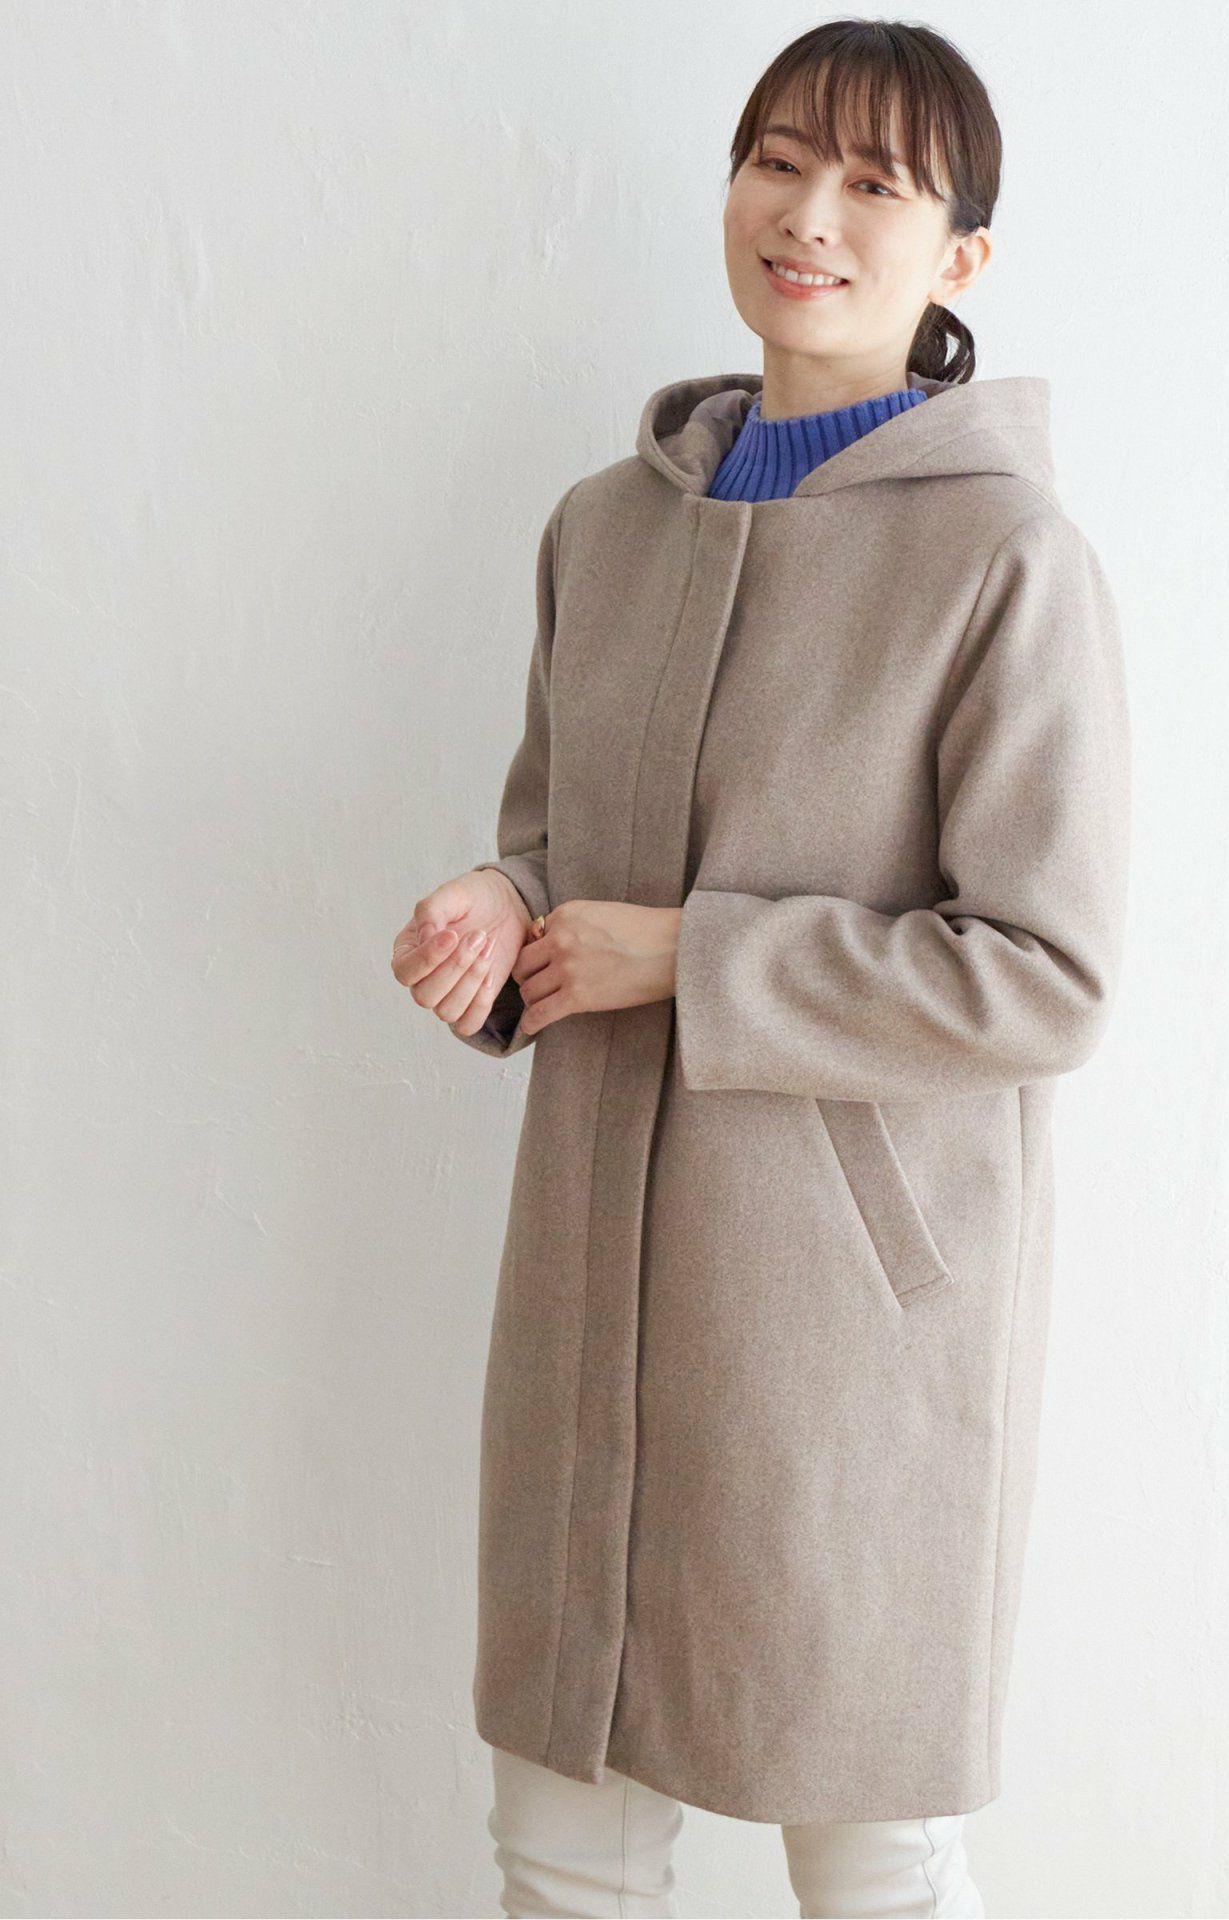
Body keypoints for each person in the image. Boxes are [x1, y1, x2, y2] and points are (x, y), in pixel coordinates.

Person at [391, 17, 1131, 1918]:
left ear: (961, 256)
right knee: (562, 1839)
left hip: (840, 1327)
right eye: (777, 162)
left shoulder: (1008, 559)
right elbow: (561, 841)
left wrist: (697, 958)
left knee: (868, 1852)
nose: (807, 216)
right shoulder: (606, 528)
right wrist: (497, 904)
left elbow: (1046, 974)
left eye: (874, 185)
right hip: (587, 1280)